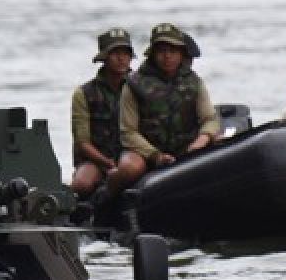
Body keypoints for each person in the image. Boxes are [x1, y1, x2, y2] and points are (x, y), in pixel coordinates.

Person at [106, 23, 220, 198]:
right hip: (146, 151)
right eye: (161, 51)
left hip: (186, 147)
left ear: (181, 54)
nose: (167, 56)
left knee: (219, 146)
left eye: (172, 51)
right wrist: (156, 155)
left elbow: (210, 119)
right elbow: (128, 132)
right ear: (153, 54)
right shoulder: (134, 84)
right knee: (130, 168)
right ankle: (106, 200)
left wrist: (201, 141)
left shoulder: (194, 82)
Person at [69, 28, 135, 200]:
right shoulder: (84, 94)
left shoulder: (140, 88)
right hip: (97, 160)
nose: (121, 58)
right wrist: (107, 163)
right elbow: (83, 142)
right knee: (81, 185)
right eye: (115, 53)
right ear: (104, 57)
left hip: (133, 155)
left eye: (125, 53)